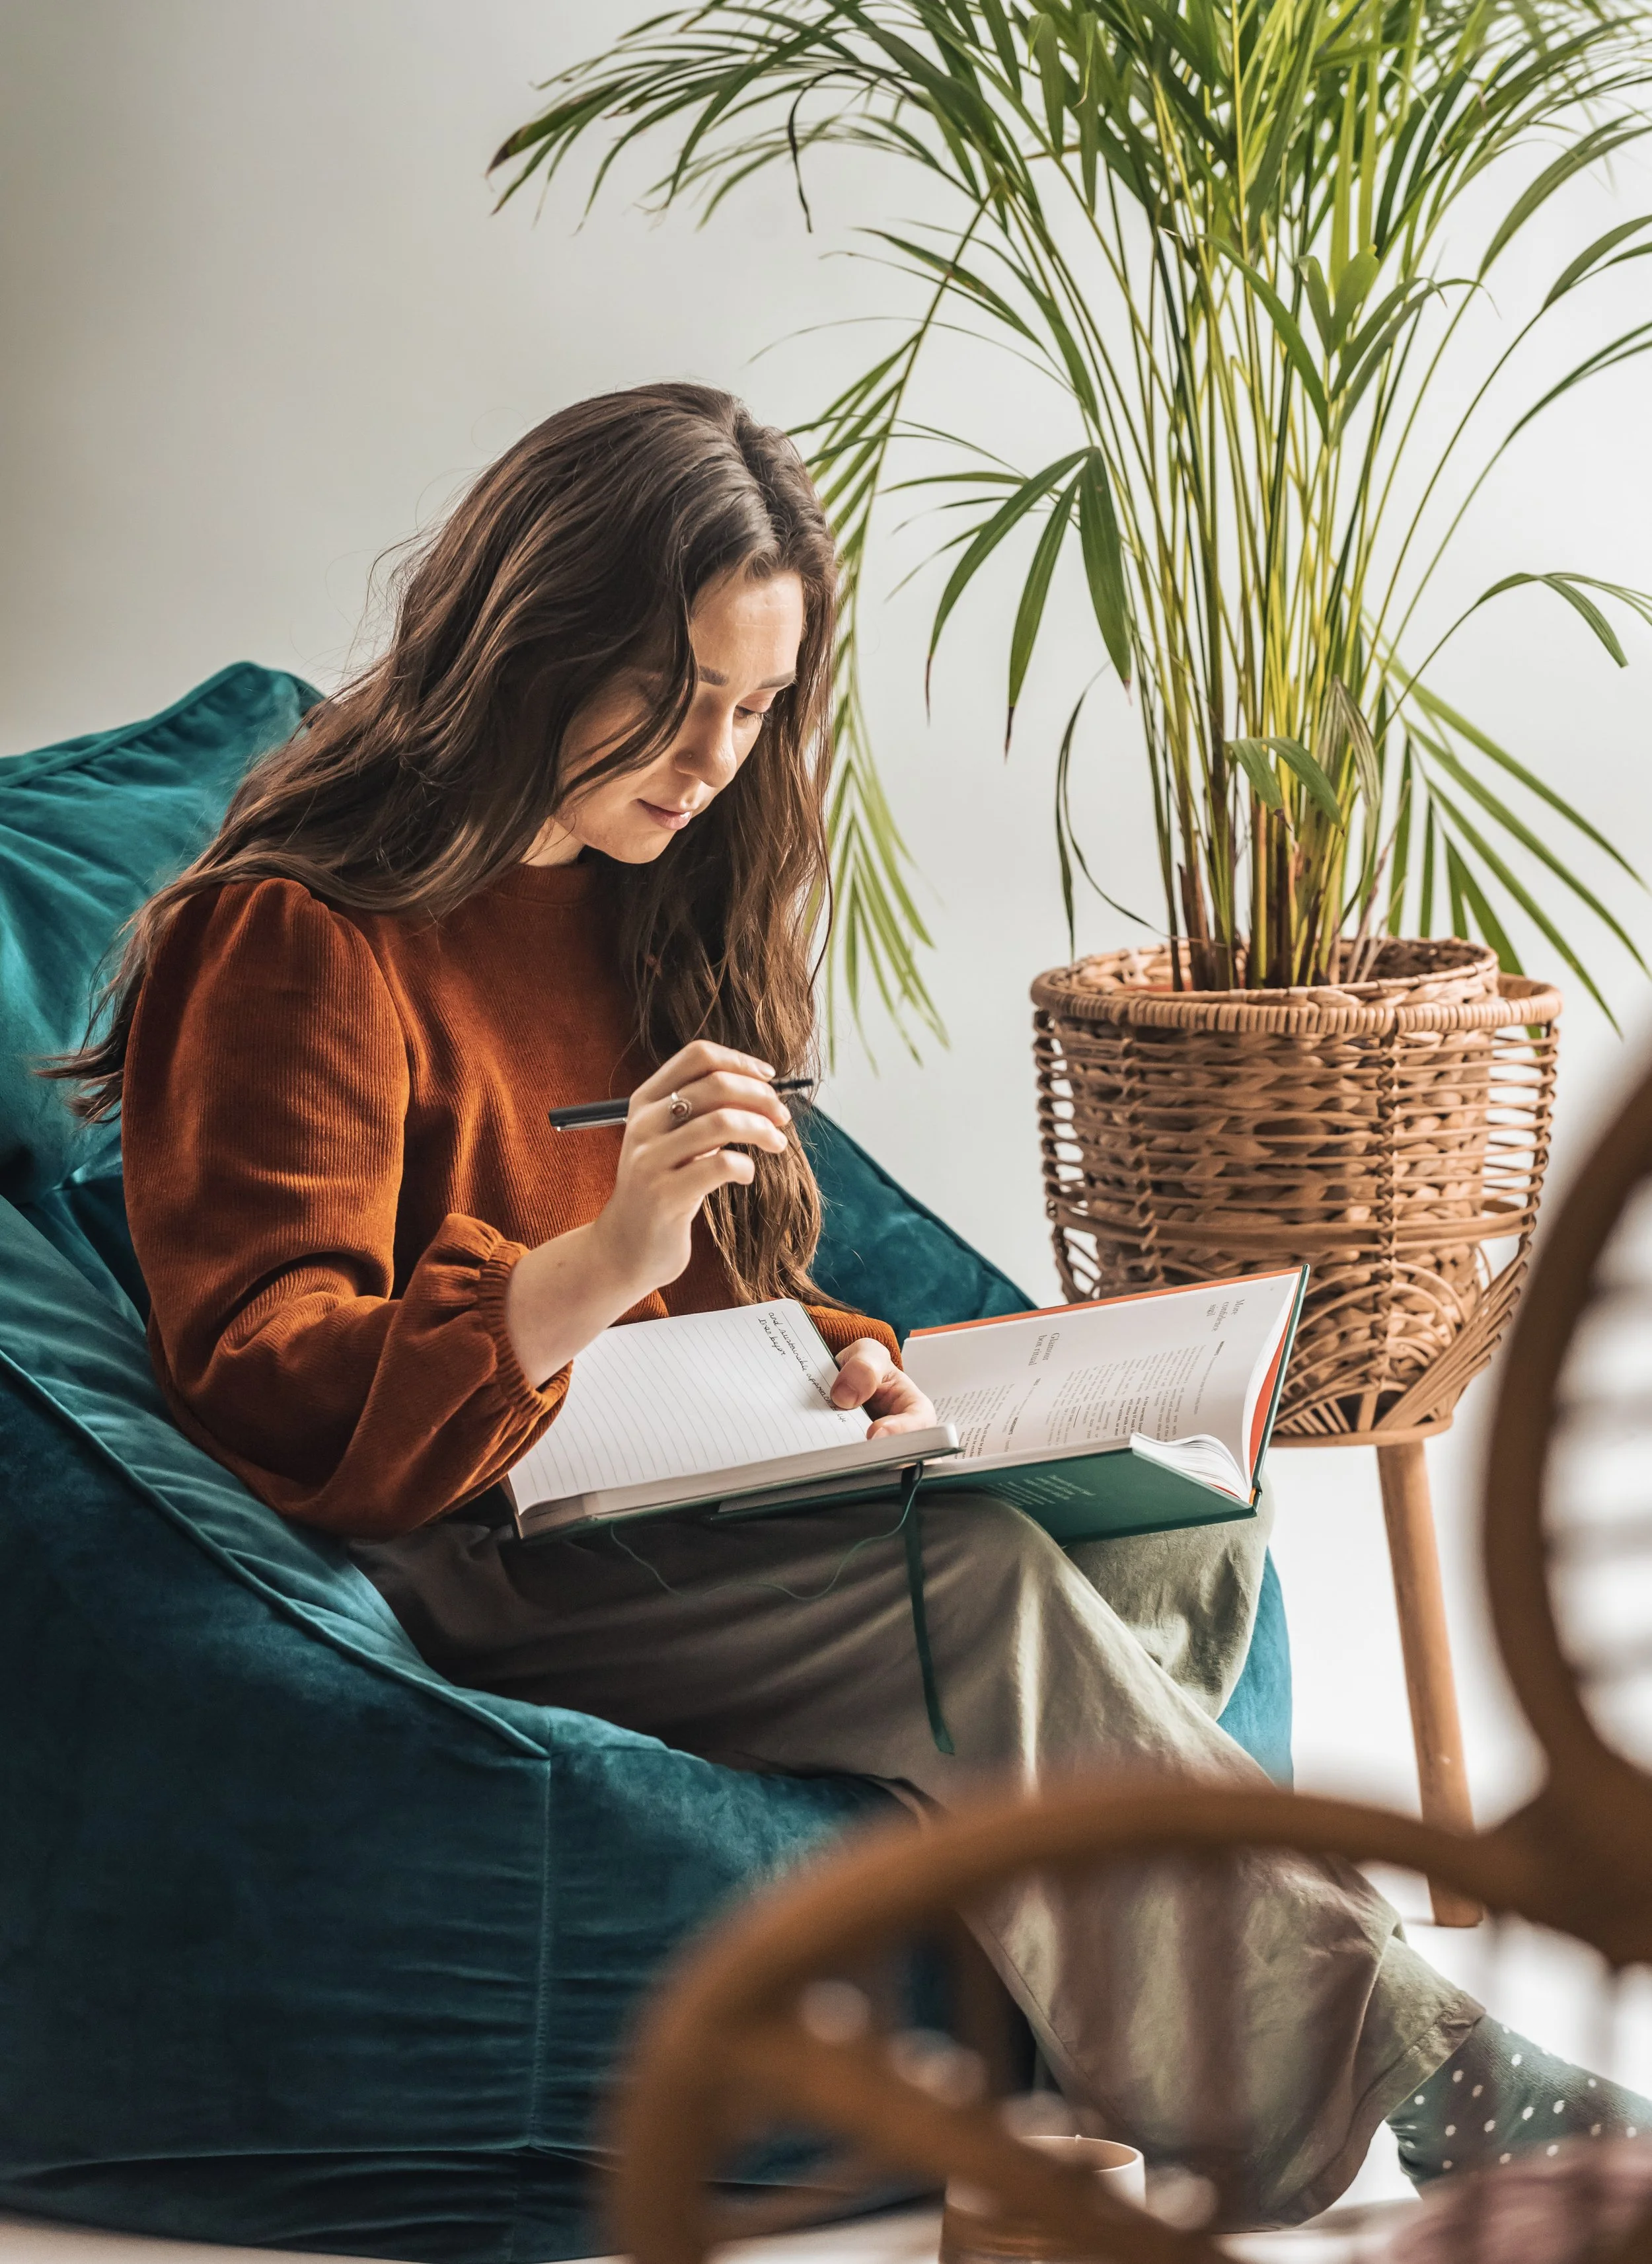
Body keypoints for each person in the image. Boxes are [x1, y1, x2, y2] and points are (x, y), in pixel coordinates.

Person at [51, 382, 1648, 2223]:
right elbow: (262, 1377)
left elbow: (732, 1275)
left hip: (668, 1499)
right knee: (967, 1588)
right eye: (675, 702)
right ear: (529, 643)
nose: (716, 758)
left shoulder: (637, 893)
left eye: (754, 707)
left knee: (1172, 1539)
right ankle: (1405, 2074)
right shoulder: (298, 936)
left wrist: (848, 1372)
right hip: (464, 1537)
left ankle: (1094, 2024)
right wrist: (583, 1274)